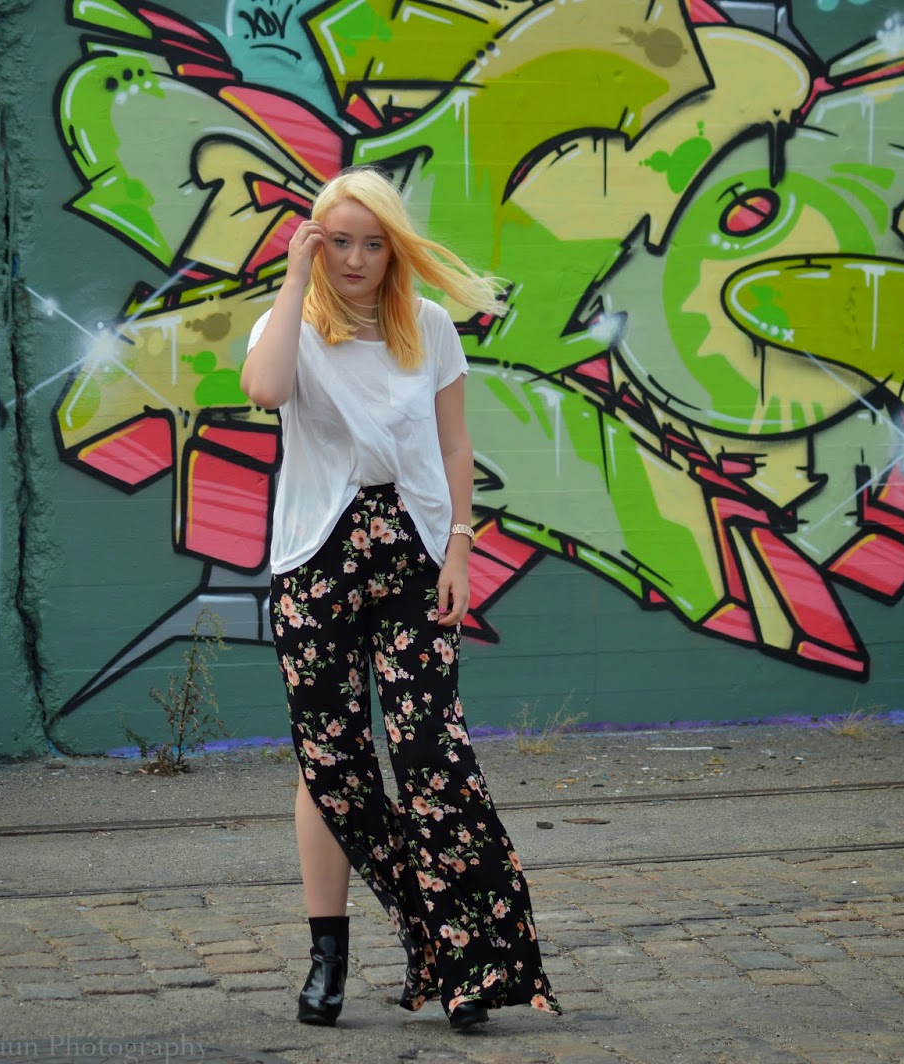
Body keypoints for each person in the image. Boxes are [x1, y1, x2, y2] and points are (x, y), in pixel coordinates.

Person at [240, 165, 559, 1031]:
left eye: (372, 243)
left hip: (415, 553)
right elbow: (264, 390)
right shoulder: (290, 325)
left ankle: (473, 959)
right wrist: (294, 277)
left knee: (431, 750)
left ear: (394, 249)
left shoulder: (429, 326)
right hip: (316, 560)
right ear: (316, 243)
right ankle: (330, 957)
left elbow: (454, 447)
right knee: (329, 763)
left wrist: (460, 547)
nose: (355, 259)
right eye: (338, 241)